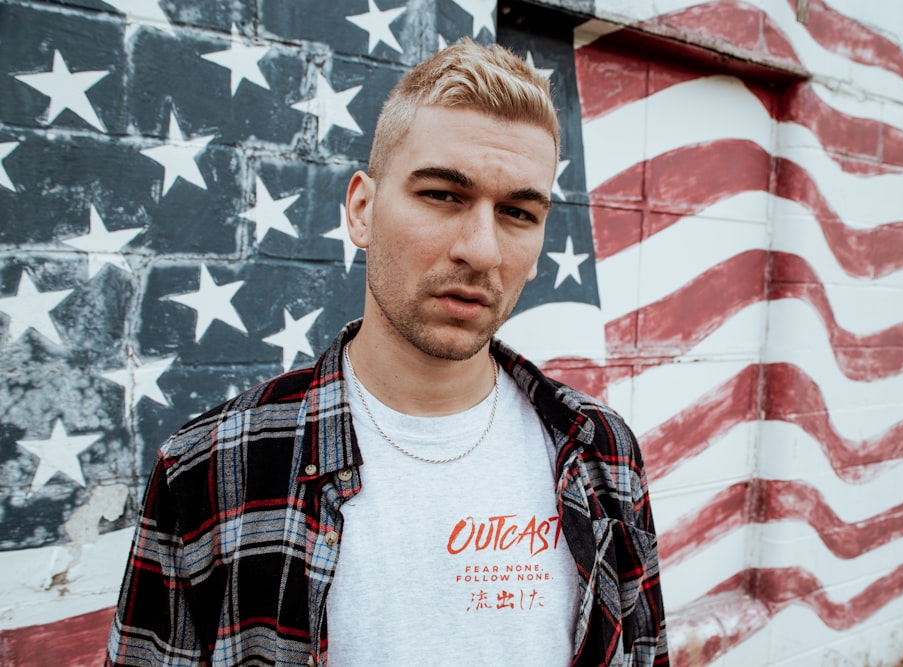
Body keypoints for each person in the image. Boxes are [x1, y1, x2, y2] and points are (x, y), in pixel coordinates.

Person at [107, 38, 668, 666]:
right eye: (442, 195)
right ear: (362, 210)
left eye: (516, 212)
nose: (481, 250)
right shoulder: (213, 466)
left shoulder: (601, 451)